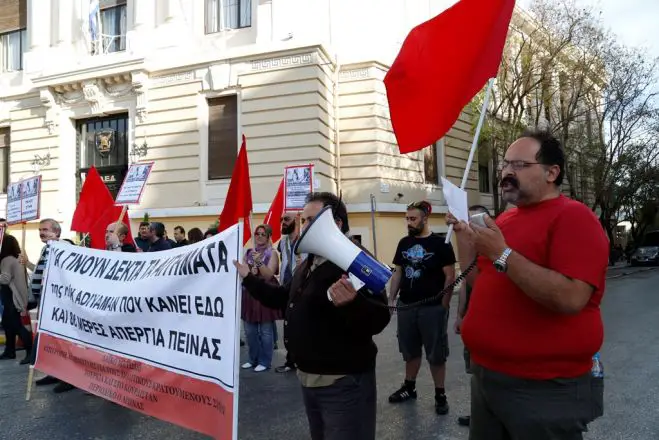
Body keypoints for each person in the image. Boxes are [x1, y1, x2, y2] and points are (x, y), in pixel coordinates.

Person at [447, 129, 608, 440]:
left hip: (542, 388)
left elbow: (571, 297)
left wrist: (501, 253)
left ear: (552, 172)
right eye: (505, 164)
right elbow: (481, 280)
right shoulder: (505, 221)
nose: (507, 171)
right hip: (487, 377)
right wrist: (466, 238)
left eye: (519, 165)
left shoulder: (575, 217)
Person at [235, 192, 391, 440]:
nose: (302, 226)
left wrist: (352, 303)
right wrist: (248, 278)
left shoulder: (354, 260)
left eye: (309, 220)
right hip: (310, 378)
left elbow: (380, 317)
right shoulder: (309, 264)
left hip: (342, 381)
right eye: (303, 220)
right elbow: (282, 298)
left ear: (336, 223)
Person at [387, 200, 456, 415]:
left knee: (436, 353)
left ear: (425, 218)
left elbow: (450, 276)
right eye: (407, 218)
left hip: (432, 307)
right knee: (409, 350)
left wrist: (443, 307)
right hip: (407, 305)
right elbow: (398, 271)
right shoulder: (404, 243)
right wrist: (392, 298)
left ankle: (440, 394)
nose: (409, 222)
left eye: (413, 218)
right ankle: (409, 387)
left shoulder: (441, 244)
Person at [20, 219, 74, 393]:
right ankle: (55, 372)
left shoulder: (62, 245)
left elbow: (67, 248)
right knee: (51, 341)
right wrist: (27, 263)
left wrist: (56, 241)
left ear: (57, 232)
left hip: (58, 305)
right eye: (40, 230)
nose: (42, 232)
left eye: (45, 229)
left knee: (62, 342)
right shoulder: (47, 248)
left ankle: (68, 377)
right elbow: (41, 272)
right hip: (45, 303)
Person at [453, 204, 491, 428]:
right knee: (475, 370)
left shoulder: (493, 250)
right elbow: (467, 283)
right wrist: (460, 314)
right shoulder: (471, 253)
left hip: (491, 319)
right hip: (473, 317)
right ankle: (479, 413)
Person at [241, 225, 281, 372]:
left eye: (263, 234)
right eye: (257, 234)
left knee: (265, 331)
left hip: (265, 294)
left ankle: (265, 361)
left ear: (268, 236)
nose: (259, 236)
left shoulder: (273, 253)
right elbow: (244, 272)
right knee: (250, 330)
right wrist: (248, 272)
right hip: (250, 293)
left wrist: (259, 263)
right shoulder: (249, 252)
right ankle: (253, 359)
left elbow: (269, 275)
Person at [274, 212, 305, 373]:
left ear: (297, 220)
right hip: (287, 288)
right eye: (282, 219)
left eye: (286, 219)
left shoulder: (306, 239)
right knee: (289, 325)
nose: (283, 222)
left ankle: (303, 359)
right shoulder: (284, 241)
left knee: (302, 324)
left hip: (302, 288)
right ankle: (291, 360)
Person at [0, 234, 32, 364]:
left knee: (17, 325)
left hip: (12, 297)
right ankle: (9, 350)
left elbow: (5, 279)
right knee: (8, 324)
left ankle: (30, 352)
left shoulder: (6, 260)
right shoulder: (18, 258)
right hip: (16, 295)